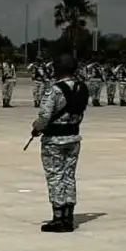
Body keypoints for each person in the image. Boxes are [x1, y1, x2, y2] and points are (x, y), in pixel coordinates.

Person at [31, 54, 88, 233]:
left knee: (55, 176)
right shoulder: (82, 88)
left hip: (54, 140)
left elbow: (44, 116)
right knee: (69, 176)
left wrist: (36, 128)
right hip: (73, 136)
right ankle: (69, 215)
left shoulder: (55, 89)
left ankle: (59, 217)